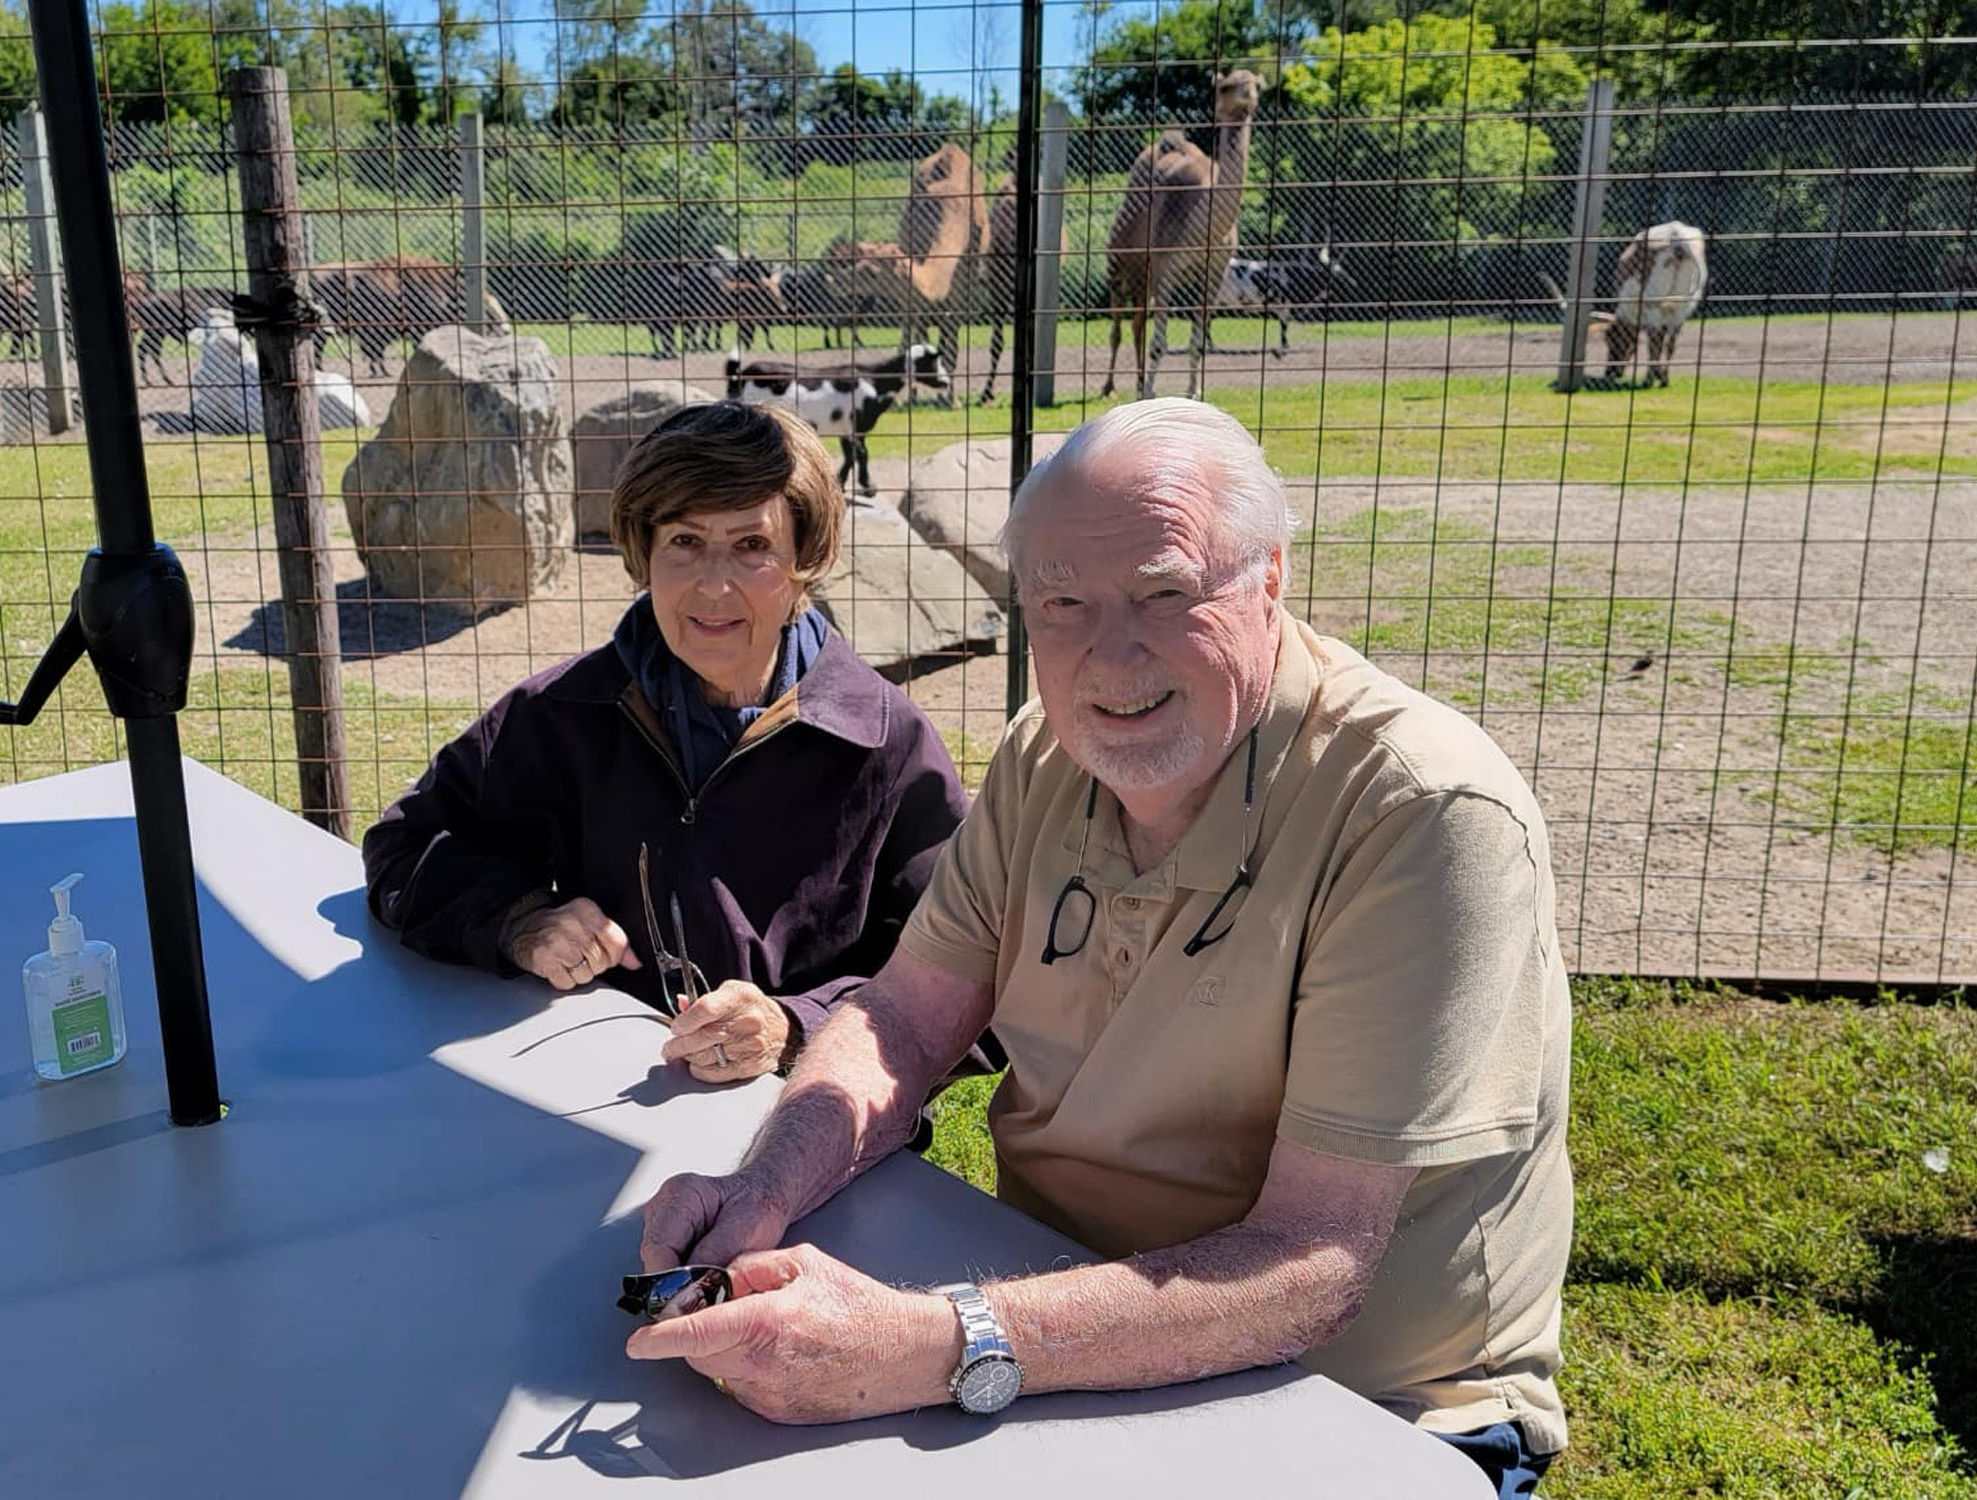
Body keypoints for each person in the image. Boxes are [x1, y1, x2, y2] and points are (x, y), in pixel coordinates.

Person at [623, 399, 1572, 1498]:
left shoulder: (1419, 812)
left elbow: (1313, 1267)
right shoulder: (1046, 756)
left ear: (1267, 580)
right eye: (1063, 603)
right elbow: (904, 1017)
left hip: (1371, 1413)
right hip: (1060, 1326)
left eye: (1164, 595)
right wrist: (765, 1187)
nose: (1108, 658)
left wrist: (929, 1345)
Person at [362, 401, 968, 1083]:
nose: (713, 586)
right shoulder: (562, 713)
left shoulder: (885, 743)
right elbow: (404, 849)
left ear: (807, 559)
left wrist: (795, 1026)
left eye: (752, 545)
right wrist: (519, 921)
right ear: (641, 552)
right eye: (684, 541)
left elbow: (967, 969)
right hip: (600, 1100)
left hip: (805, 1119)